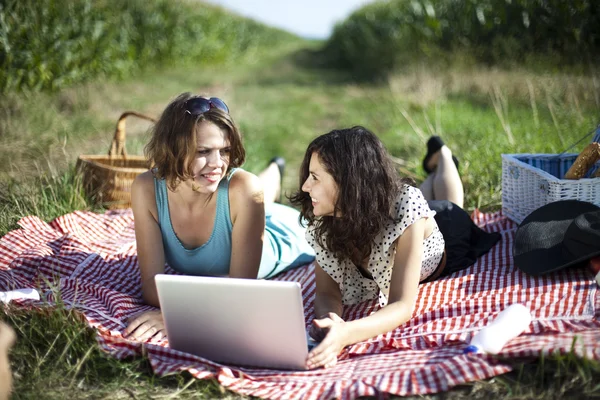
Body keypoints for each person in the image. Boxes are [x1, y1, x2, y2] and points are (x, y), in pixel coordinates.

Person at [291, 126, 500, 369]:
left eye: (315, 177)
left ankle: (443, 155)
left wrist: (346, 333)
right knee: (423, 197)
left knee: (451, 205)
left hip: (446, 234)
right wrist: (330, 321)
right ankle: (435, 168)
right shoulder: (324, 221)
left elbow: (401, 305)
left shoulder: (407, 204)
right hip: (381, 212)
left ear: (348, 181)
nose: (305, 186)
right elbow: (327, 293)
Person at [124, 93, 315, 341]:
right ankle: (275, 171)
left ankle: (274, 174)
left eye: (225, 150)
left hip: (284, 234)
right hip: (242, 209)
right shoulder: (146, 188)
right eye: (203, 151)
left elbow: (239, 294)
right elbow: (150, 286)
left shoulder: (244, 189)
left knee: (254, 190)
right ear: (172, 148)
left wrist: (182, 314)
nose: (217, 163)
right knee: (255, 194)